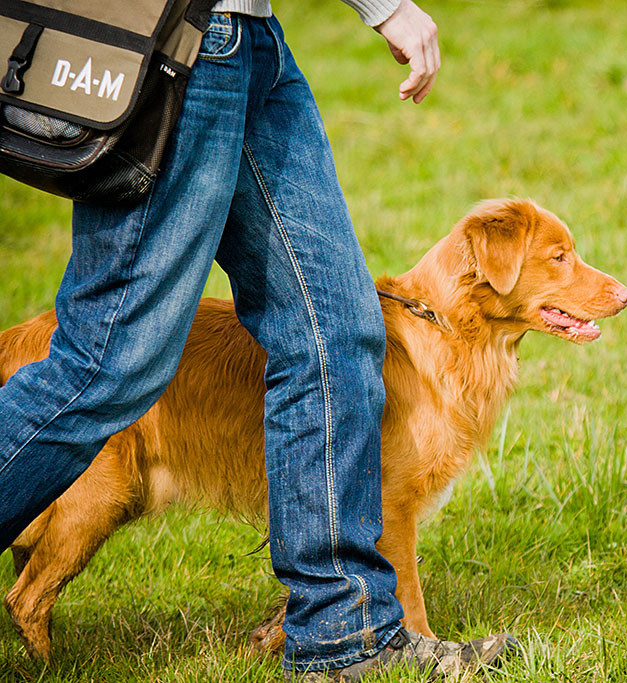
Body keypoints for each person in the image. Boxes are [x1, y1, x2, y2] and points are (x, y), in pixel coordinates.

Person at [0, 0, 518, 679]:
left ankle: (343, 632)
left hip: (251, 40)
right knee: (108, 362)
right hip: (180, 42)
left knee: (335, 333)